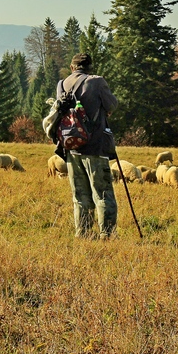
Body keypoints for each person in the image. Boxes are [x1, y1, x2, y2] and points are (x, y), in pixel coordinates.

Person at [56, 53, 119, 239]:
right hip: (95, 146)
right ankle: (107, 235)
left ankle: (82, 233)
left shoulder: (62, 84)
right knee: (103, 193)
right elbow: (112, 105)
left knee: (80, 196)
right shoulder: (96, 82)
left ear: (72, 67)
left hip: (71, 147)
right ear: (90, 67)